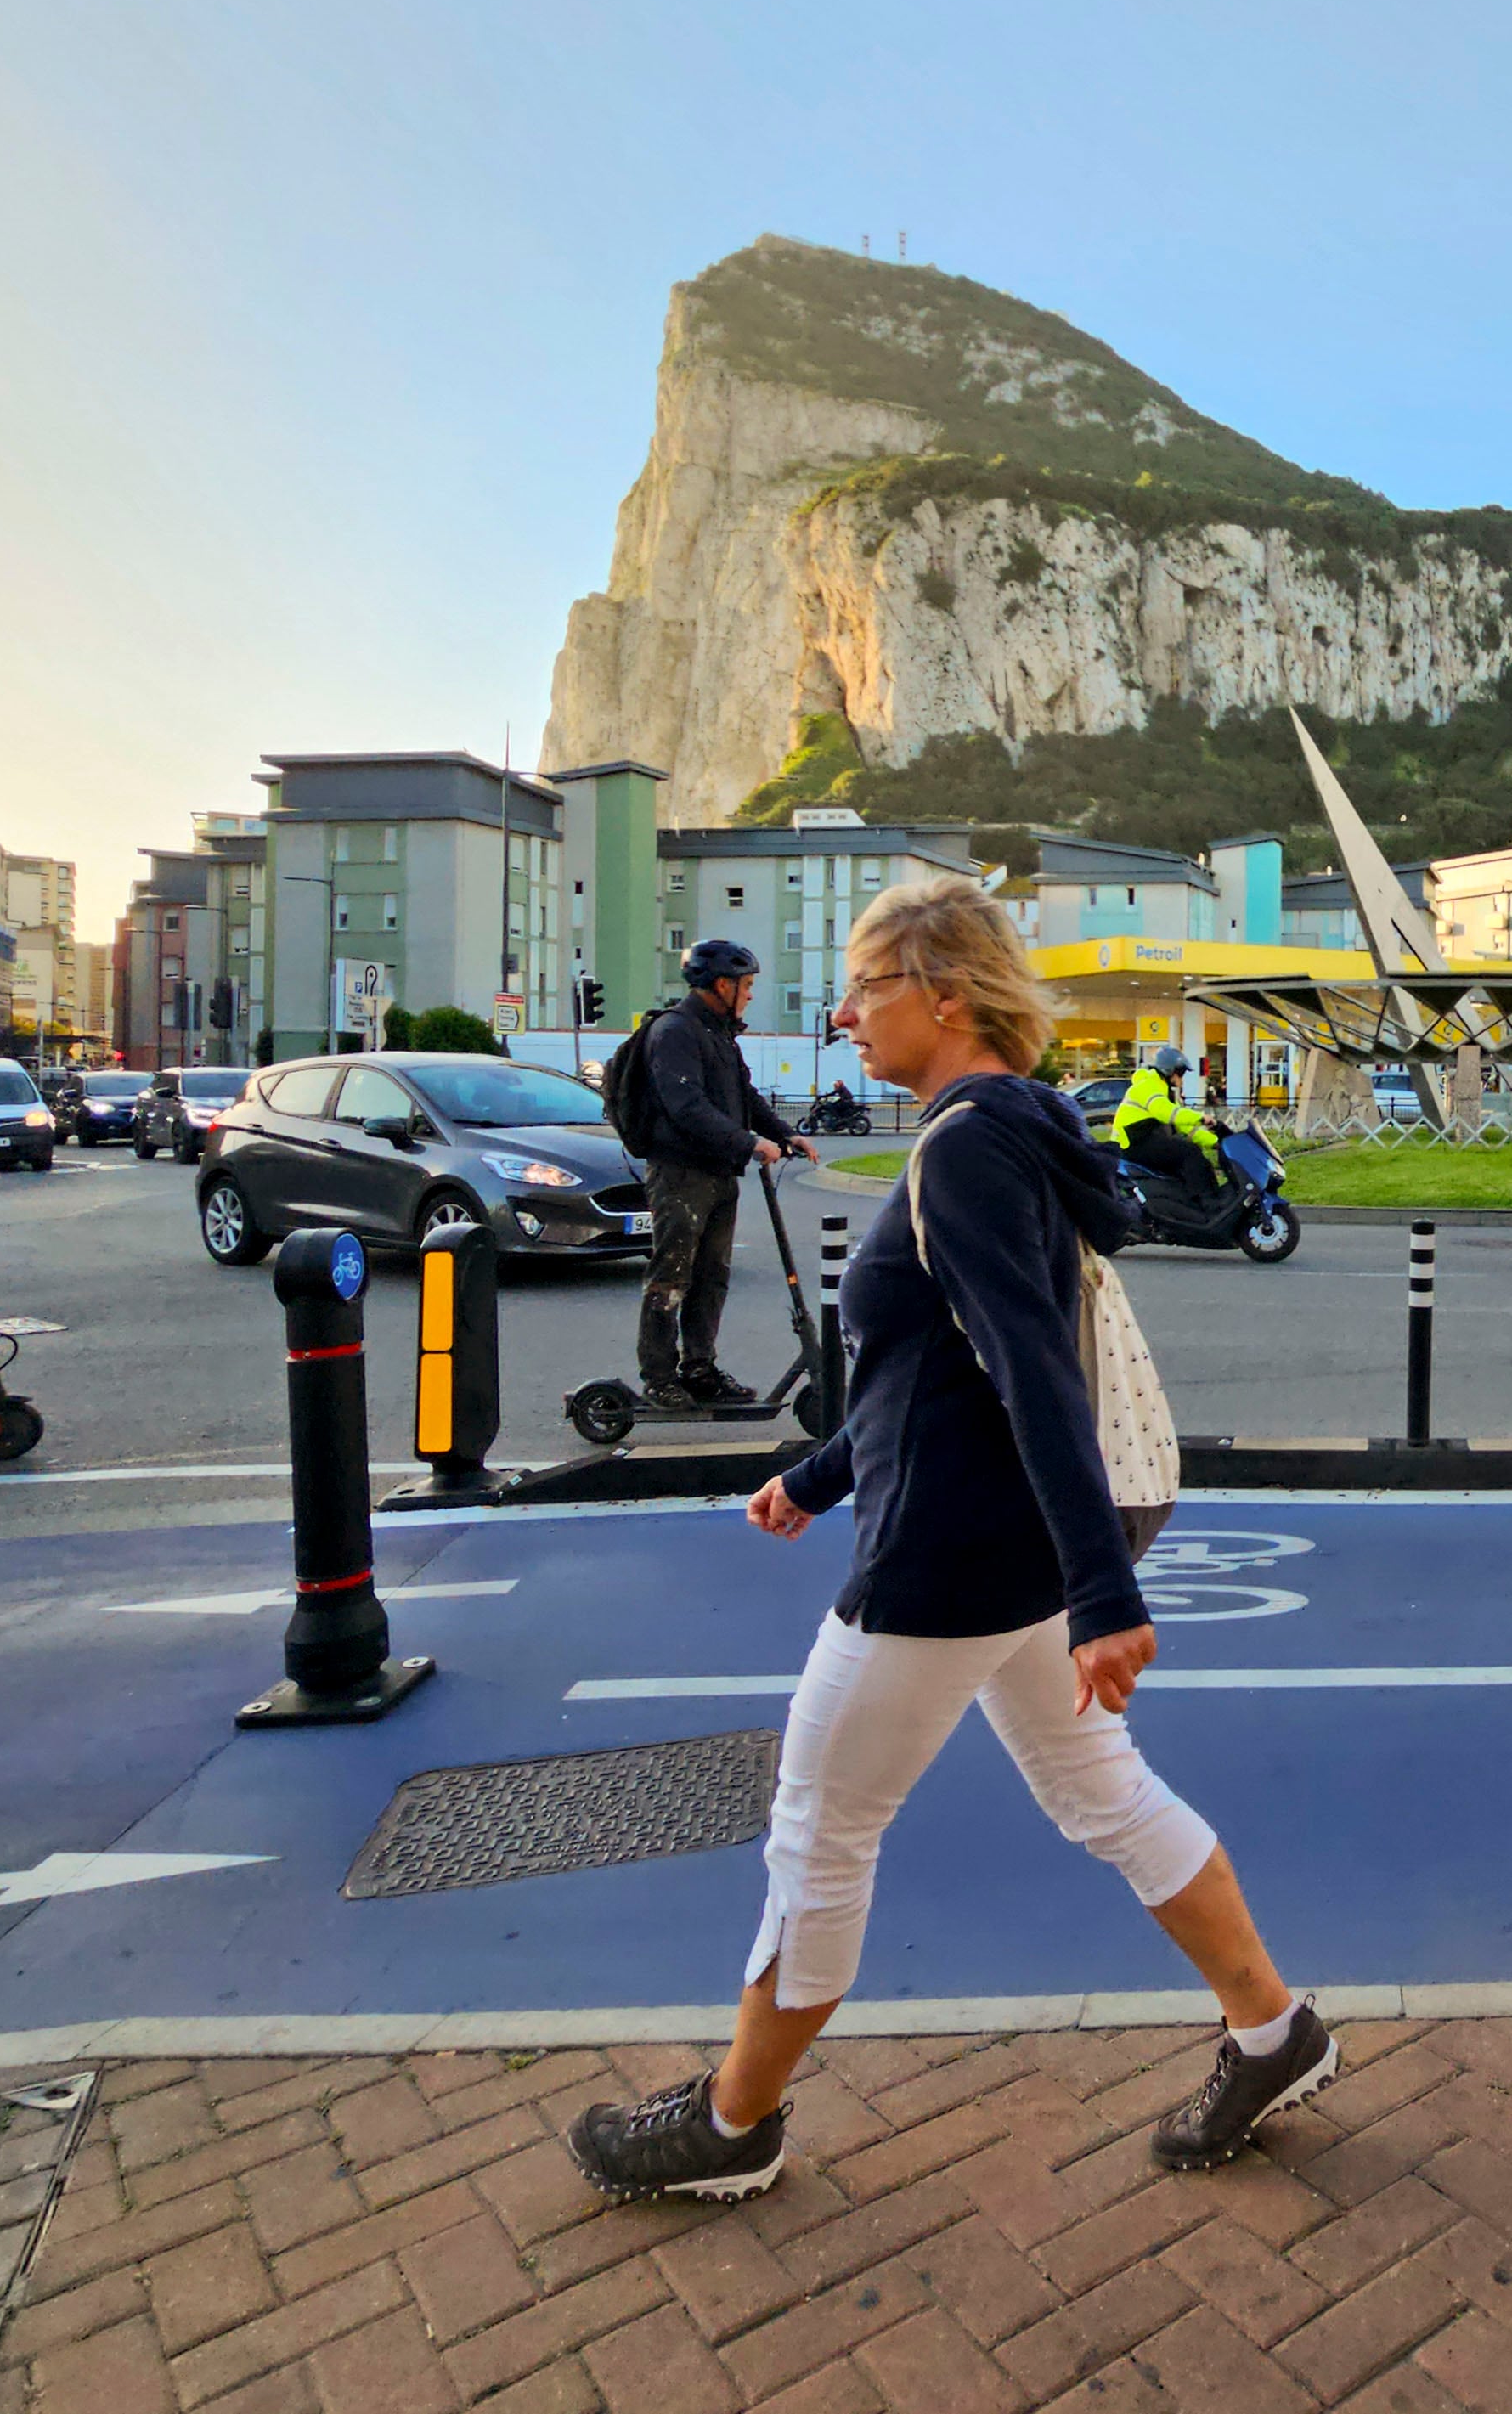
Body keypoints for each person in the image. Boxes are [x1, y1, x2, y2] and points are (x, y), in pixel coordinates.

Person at [567, 874, 1334, 2203]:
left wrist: (1103, 1593)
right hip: (1008, 1550)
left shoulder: (968, 1145)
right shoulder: (1004, 1132)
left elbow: (1033, 1368)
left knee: (820, 1823)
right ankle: (1273, 2031)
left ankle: (736, 2124)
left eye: (865, 988)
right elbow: (939, 1374)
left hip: (949, 1567)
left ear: (946, 994)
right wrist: (818, 1471)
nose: (846, 1014)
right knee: (1100, 1790)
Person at [631, 940, 808, 1411]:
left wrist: (784, 1133)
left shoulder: (718, 1033)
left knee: (712, 1277)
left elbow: (743, 1096)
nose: (750, 995)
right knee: (671, 1276)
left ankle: (700, 1369)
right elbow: (685, 1106)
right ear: (722, 985)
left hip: (717, 1172)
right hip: (680, 1174)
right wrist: (749, 1143)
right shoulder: (675, 1032)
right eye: (746, 985)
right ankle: (660, 1376)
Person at [1105, 1044, 1221, 1199]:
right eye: (1180, 1072)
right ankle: (1207, 1203)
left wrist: (1216, 1142)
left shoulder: (1165, 1092)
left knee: (1199, 1160)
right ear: (1169, 1071)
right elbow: (1166, 1113)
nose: (1181, 1077)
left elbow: (1185, 1128)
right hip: (1131, 1144)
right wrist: (1200, 1118)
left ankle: (1205, 1203)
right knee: (1189, 1153)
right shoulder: (1148, 1086)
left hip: (1144, 1139)